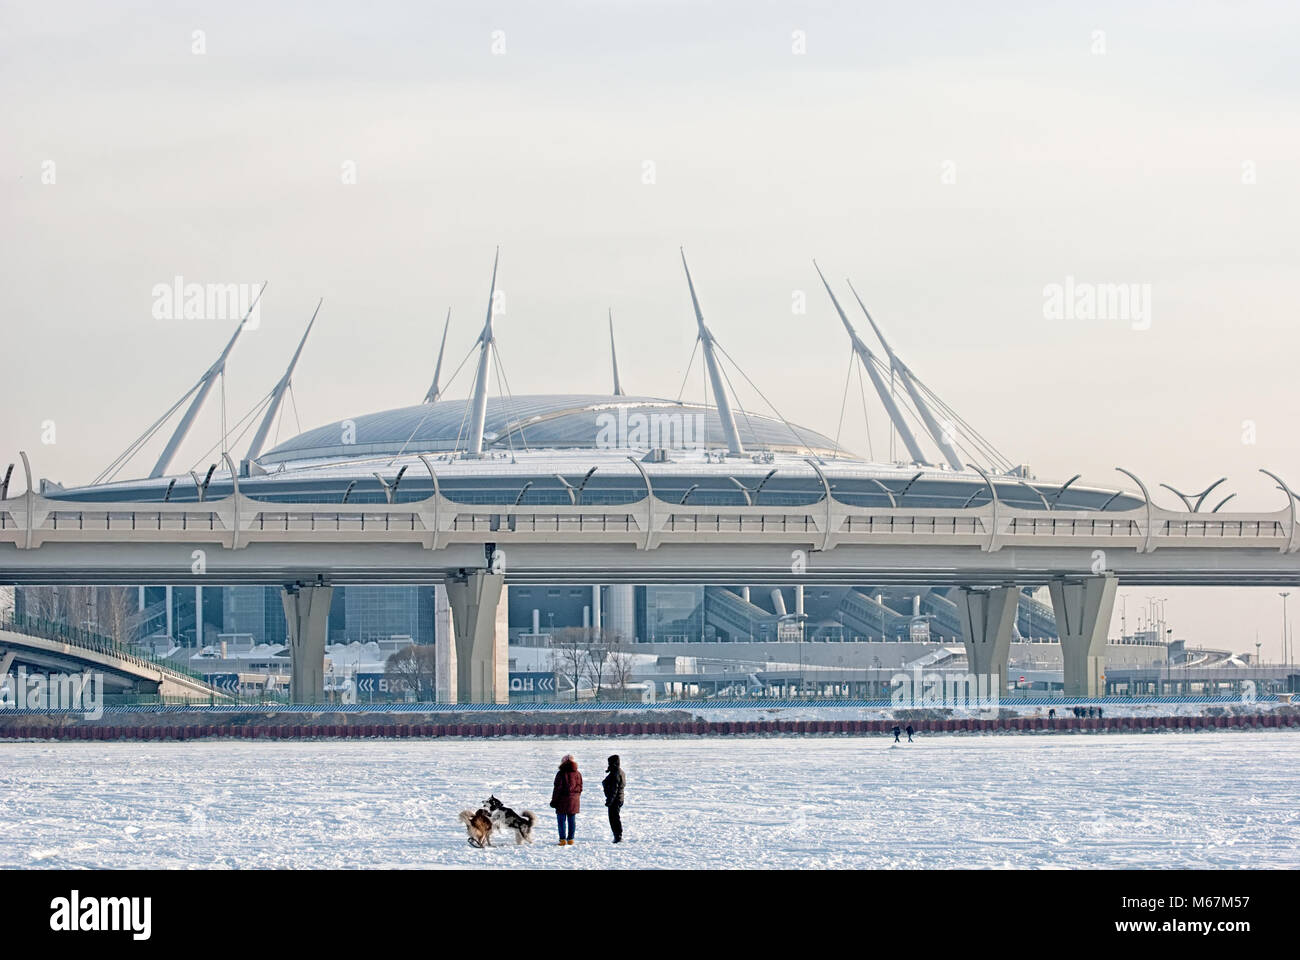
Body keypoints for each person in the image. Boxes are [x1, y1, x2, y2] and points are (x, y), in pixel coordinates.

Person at [549, 754, 583, 845]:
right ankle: (571, 839)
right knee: (572, 820)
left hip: (562, 800)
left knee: (561, 820)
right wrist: (576, 796)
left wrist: (554, 801)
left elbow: (557, 789)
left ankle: (563, 839)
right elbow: (580, 787)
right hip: (574, 800)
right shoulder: (578, 773)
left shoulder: (560, 773)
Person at [602, 754, 625, 844]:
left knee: (614, 818)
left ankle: (618, 836)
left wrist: (609, 801)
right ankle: (617, 835)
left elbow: (614, 789)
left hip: (615, 799)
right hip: (618, 798)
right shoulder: (618, 771)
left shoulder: (616, 773)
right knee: (614, 817)